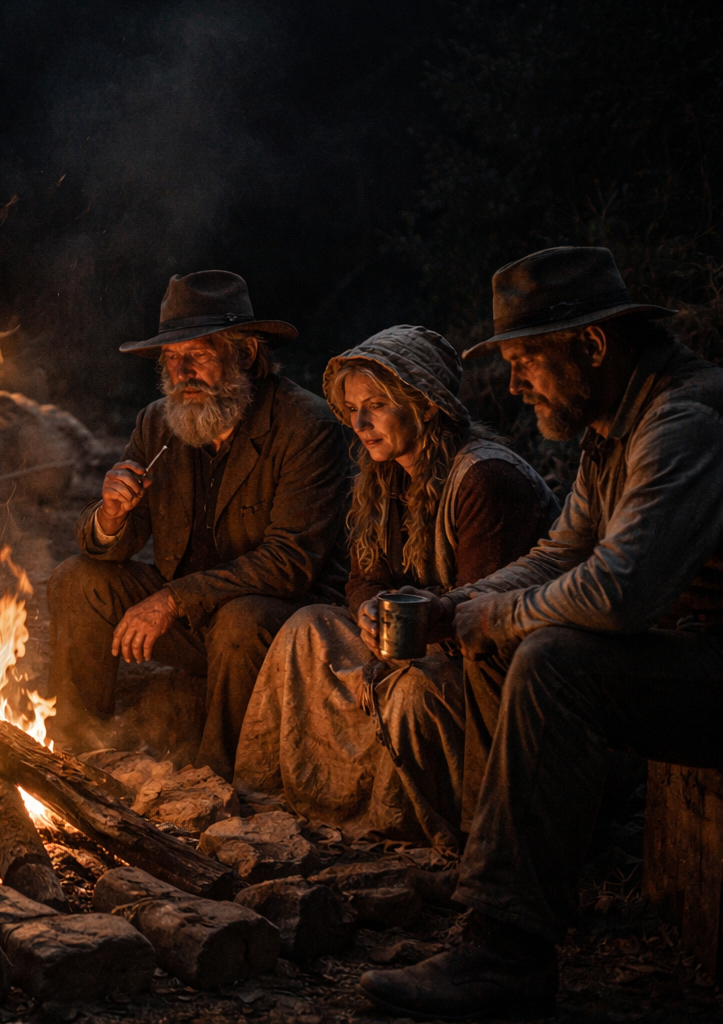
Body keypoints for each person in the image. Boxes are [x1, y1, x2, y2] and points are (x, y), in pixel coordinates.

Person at [358, 247, 723, 1018]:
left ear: (591, 345)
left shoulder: (683, 422)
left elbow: (621, 590)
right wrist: (459, 608)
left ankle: (506, 951)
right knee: (504, 637)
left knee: (554, 659)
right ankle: (499, 879)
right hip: (693, 655)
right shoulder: (612, 427)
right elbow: (561, 554)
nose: (515, 383)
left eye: (527, 360)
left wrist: (492, 614)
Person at [235, 325, 559, 849]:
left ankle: (406, 825)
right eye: (353, 408)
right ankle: (284, 796)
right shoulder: (384, 477)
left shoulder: (484, 479)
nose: (360, 423)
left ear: (426, 404)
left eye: (377, 405)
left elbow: (481, 617)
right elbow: (366, 576)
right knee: (306, 628)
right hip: (412, 640)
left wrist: (397, 653)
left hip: (481, 666)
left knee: (411, 693)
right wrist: (366, 613)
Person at [48, 270, 349, 775]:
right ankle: (74, 751)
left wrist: (171, 599)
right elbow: (110, 545)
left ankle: (220, 780)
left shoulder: (306, 426)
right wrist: (110, 516)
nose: (181, 372)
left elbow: (290, 564)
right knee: (76, 580)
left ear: (246, 355)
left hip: (278, 627)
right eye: (171, 358)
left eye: (198, 355)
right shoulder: (157, 422)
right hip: (193, 623)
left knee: (240, 619)